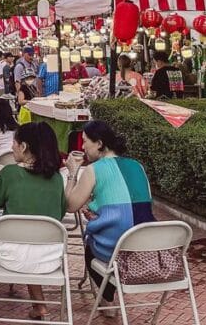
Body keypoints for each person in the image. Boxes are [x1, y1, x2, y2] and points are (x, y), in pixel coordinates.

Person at [65, 120, 155, 310]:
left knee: (90, 246)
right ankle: (111, 292)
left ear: (99, 143)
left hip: (114, 248)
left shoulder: (93, 169)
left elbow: (71, 205)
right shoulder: (137, 165)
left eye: (85, 141)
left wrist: (73, 172)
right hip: (147, 244)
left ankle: (108, 299)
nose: (82, 147)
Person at [0, 122, 67, 321]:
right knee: (31, 241)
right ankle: (39, 305)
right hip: (50, 257)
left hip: (11, 257)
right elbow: (59, 213)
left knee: (21, 242)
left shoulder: (9, 173)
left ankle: (37, 305)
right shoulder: (55, 179)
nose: (12, 146)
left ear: (24, 146)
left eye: (15, 142)